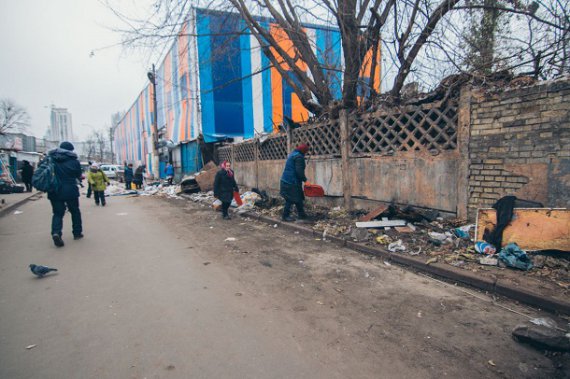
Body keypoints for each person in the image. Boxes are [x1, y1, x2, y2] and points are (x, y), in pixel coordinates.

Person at [47, 141, 83, 247]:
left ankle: (56, 232)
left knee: (57, 213)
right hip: (70, 190)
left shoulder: (50, 159)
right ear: (71, 150)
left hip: (54, 190)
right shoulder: (74, 161)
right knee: (75, 211)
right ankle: (77, 233)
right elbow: (78, 175)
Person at [280, 143, 309, 222]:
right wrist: (305, 180)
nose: (306, 153)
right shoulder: (299, 157)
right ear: (304, 151)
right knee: (290, 199)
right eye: (306, 152)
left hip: (286, 180)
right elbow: (299, 171)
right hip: (291, 181)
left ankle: (301, 214)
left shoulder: (293, 154)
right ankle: (285, 216)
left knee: (298, 197)